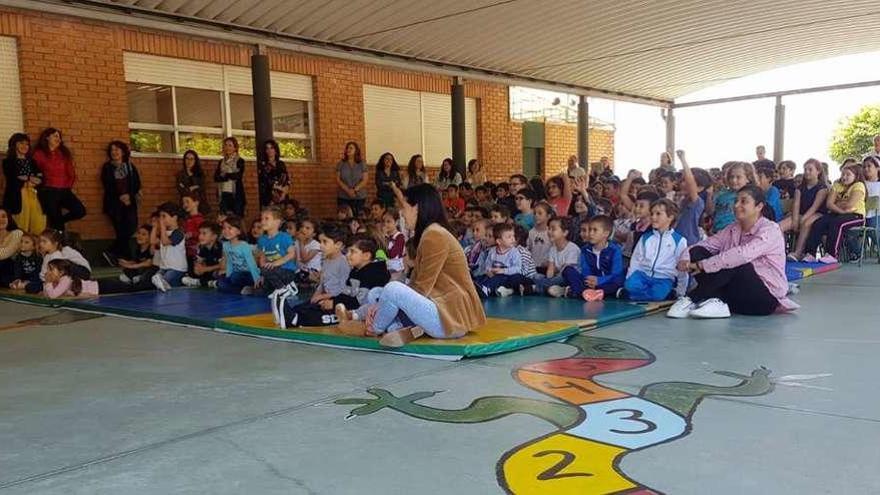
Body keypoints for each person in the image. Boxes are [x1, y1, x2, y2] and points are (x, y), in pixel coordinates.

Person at [348, 183, 486, 346]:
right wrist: (380, 303)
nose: (402, 214)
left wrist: (380, 306)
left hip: (449, 318)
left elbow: (421, 288)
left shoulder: (434, 235)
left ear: (418, 208)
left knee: (392, 290)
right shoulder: (431, 233)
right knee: (376, 292)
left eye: (404, 208)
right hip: (440, 309)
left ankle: (373, 328)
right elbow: (417, 284)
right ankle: (398, 327)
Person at [668, 185, 797, 318]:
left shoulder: (771, 230)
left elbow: (742, 255)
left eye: (743, 201)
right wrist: (685, 258)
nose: (736, 205)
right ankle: (716, 301)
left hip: (762, 301)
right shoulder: (732, 229)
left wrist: (702, 265)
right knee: (697, 252)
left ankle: (692, 298)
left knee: (737, 261)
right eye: (736, 201)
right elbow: (705, 244)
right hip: (735, 298)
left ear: (759, 206)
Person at [620, 199, 689, 302]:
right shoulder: (645, 238)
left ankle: (631, 295)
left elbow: (682, 267)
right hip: (642, 275)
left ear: (670, 217)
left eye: (658, 214)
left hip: (663, 278)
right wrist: (629, 278)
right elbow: (636, 260)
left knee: (658, 294)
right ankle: (660, 295)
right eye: (652, 214)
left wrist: (681, 291)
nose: (653, 217)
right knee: (630, 285)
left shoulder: (679, 240)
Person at [802, 164, 866, 264]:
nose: (844, 177)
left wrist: (836, 203)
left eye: (848, 174)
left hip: (855, 215)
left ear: (856, 175)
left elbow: (850, 204)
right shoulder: (837, 184)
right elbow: (828, 204)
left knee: (836, 224)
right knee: (818, 222)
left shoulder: (859, 185)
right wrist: (841, 209)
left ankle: (832, 255)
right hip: (838, 213)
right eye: (843, 174)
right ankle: (810, 254)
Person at [32, 128, 85, 231]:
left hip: (64, 190)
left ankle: (58, 221)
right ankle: (60, 244)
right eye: (55, 136)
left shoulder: (63, 153)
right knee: (58, 226)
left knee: (80, 211)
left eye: (59, 137)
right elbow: (35, 172)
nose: (59, 139)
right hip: (48, 191)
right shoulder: (39, 154)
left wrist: (68, 186)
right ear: (47, 137)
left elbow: (71, 172)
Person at [562, 215, 624, 300]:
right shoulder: (585, 250)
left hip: (606, 281)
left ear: (606, 233)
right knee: (568, 270)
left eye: (595, 230)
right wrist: (589, 280)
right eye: (590, 229)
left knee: (620, 278)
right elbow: (585, 270)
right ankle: (590, 292)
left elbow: (616, 274)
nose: (591, 233)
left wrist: (599, 280)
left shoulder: (614, 250)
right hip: (589, 283)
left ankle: (578, 291)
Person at [100, 140, 141, 264]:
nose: (114, 152)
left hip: (130, 202)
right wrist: (121, 196)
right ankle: (126, 258)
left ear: (123, 152)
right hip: (114, 204)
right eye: (112, 150)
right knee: (121, 231)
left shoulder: (129, 166)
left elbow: (136, 183)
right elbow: (108, 184)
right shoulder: (107, 167)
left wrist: (129, 195)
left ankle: (111, 252)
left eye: (117, 149)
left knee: (131, 228)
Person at [782, 159, 828, 261]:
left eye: (810, 169)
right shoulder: (800, 188)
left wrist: (802, 220)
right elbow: (796, 205)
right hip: (801, 214)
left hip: (818, 214)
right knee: (780, 226)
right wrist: (794, 220)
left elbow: (815, 207)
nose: (807, 172)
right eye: (805, 169)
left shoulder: (822, 188)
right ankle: (780, 252)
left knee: (807, 223)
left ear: (818, 171)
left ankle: (798, 252)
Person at [2, 133, 46, 235]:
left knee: (38, 223)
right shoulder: (8, 162)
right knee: (19, 225)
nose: (25, 146)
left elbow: (41, 178)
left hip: (34, 195)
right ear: (14, 144)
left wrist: (28, 178)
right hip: (17, 197)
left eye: (27, 144)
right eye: (21, 143)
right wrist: (31, 177)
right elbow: (14, 177)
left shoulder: (32, 162)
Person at [530, 217, 579, 296]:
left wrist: (551, 279)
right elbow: (550, 271)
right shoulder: (553, 248)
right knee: (536, 276)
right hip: (556, 278)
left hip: (566, 278)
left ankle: (537, 288)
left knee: (560, 279)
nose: (549, 232)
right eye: (549, 228)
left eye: (553, 229)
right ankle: (552, 288)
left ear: (565, 233)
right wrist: (549, 279)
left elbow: (566, 271)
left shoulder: (572, 248)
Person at [32, 228, 90, 294]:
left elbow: (56, 275)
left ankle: (71, 285)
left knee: (60, 264)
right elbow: (44, 273)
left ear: (55, 243)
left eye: (44, 241)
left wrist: (48, 285)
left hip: (82, 271)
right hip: (64, 273)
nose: (41, 244)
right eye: (40, 241)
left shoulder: (60, 253)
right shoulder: (48, 254)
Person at [474, 223, 522, 298]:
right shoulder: (492, 251)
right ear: (499, 241)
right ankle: (476, 287)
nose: (513, 239)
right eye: (509, 237)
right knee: (482, 277)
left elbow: (518, 269)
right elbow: (488, 264)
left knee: (499, 278)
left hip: (506, 277)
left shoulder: (514, 252)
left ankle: (487, 289)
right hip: (494, 275)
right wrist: (489, 270)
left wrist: (503, 271)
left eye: (513, 236)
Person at [257, 206, 298, 294]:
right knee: (262, 290)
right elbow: (262, 258)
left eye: (266, 219)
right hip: (271, 271)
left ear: (277, 222)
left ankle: (283, 288)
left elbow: (291, 254)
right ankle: (283, 286)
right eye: (262, 219)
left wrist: (274, 264)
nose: (262, 222)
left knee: (268, 272)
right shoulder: (262, 239)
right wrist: (262, 274)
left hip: (286, 270)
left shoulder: (284, 237)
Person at [149, 202, 188, 292]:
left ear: (174, 217)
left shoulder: (178, 233)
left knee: (165, 281)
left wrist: (162, 226)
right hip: (164, 267)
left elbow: (165, 242)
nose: (161, 219)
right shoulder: (164, 233)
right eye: (160, 217)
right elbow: (153, 241)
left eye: (164, 216)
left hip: (177, 268)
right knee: (155, 279)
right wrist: (155, 227)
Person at [217, 215, 261, 295]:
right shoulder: (225, 245)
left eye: (230, 228)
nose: (226, 231)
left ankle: (252, 288)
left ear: (239, 231)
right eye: (224, 228)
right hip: (236, 274)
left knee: (235, 277)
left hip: (249, 274)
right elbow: (230, 262)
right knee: (220, 283)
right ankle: (243, 290)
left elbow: (252, 264)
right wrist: (228, 277)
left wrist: (257, 279)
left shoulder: (244, 246)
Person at [673, 150, 709, 245]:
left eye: (686, 181)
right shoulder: (682, 200)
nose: (683, 183)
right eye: (682, 180)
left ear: (700, 188)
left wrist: (683, 160)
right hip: (675, 240)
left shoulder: (698, 202)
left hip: (687, 242)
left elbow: (690, 182)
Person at [712, 162, 755, 233]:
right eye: (731, 177)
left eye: (738, 177)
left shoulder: (752, 196)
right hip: (718, 232)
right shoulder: (722, 195)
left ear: (748, 178)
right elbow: (714, 212)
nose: (734, 180)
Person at [181, 222, 223, 288]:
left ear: (214, 237)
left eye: (204, 233)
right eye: (200, 233)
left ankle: (202, 282)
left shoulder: (220, 247)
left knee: (219, 273)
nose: (200, 236)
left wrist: (206, 269)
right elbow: (199, 262)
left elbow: (223, 265)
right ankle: (205, 282)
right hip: (208, 272)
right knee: (190, 268)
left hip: (216, 271)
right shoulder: (202, 247)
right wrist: (198, 268)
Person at [214, 137, 246, 217]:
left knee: (237, 218)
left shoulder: (240, 160)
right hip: (223, 193)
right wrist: (228, 175)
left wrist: (225, 175)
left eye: (230, 145)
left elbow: (237, 176)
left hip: (236, 194)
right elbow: (216, 177)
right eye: (226, 145)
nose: (227, 147)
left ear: (235, 148)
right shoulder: (221, 162)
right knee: (224, 218)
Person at [336, 141, 368, 216]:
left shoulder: (362, 164)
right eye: (347, 148)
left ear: (356, 150)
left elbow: (365, 180)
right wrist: (348, 190)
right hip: (343, 196)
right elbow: (338, 179)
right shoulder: (341, 163)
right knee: (343, 218)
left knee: (357, 218)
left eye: (351, 148)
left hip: (359, 196)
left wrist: (354, 190)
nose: (348, 150)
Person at [257, 139, 289, 208]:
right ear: (265, 151)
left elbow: (286, 180)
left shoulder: (281, 164)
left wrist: (283, 194)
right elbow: (264, 182)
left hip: (282, 196)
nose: (269, 150)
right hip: (268, 198)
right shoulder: (262, 165)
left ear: (275, 150)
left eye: (271, 148)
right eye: (267, 148)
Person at [0, 208, 23, 286]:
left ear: (8, 218)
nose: (1, 219)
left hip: (10, 273)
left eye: (3, 216)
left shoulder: (17, 233)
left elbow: (6, 253)